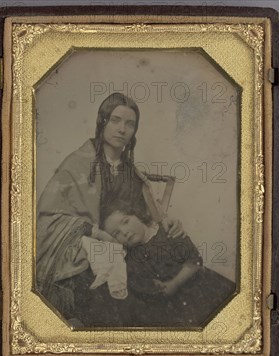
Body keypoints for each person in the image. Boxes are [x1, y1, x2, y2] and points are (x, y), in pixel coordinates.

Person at [35, 92, 182, 324]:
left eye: (130, 124)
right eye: (115, 120)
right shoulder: (77, 164)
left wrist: (168, 221)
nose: (122, 129)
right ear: (102, 122)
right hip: (85, 248)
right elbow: (47, 217)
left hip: (127, 245)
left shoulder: (129, 171)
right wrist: (99, 235)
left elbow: (148, 215)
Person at [100, 200, 236, 327]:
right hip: (172, 306)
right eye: (116, 233)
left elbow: (195, 260)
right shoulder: (129, 259)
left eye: (125, 222)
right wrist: (153, 287)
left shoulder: (167, 231)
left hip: (198, 287)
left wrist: (175, 283)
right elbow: (140, 284)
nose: (124, 232)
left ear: (137, 214)